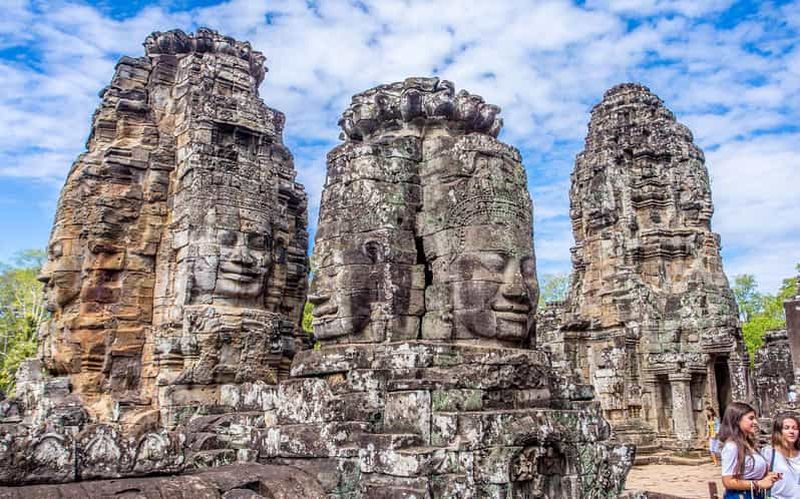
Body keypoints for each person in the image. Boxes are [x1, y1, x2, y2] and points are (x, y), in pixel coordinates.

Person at [719, 401, 780, 498]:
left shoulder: (749, 444)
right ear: (737, 420)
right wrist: (758, 484)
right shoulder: (732, 447)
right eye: (751, 418)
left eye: (755, 418)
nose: (755, 422)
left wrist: (768, 476)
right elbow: (727, 481)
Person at [760, 412, 800, 499]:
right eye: (786, 428)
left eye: (795, 428)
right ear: (779, 431)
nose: (791, 431)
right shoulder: (769, 453)